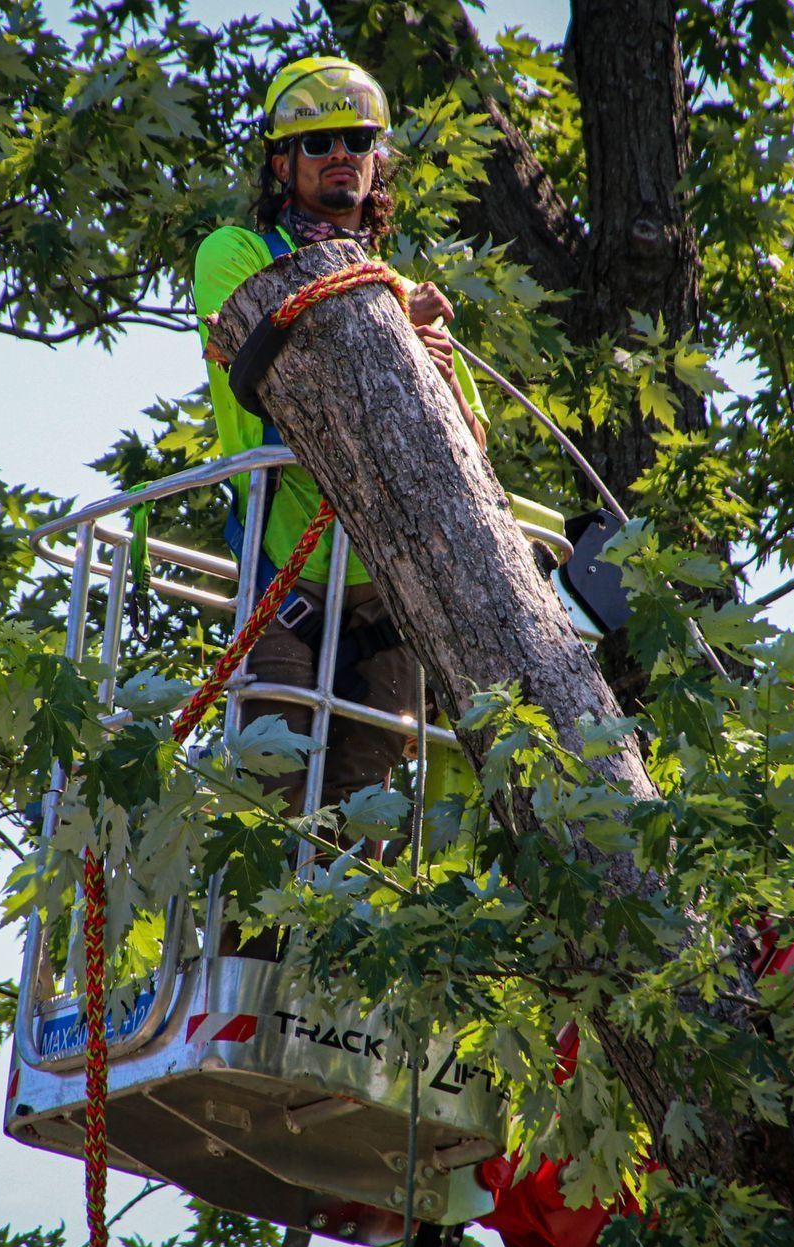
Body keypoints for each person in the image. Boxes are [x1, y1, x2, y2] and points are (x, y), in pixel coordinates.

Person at [193, 55, 489, 818]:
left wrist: (429, 364)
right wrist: (396, 332)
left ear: (377, 158)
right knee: (268, 811)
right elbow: (282, 362)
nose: (340, 159)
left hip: (387, 596)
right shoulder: (239, 256)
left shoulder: (400, 291)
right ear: (282, 160)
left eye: (356, 141)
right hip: (290, 584)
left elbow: (472, 450)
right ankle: (245, 945)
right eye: (318, 143)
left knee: (361, 829)